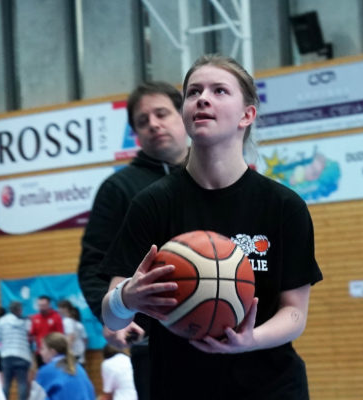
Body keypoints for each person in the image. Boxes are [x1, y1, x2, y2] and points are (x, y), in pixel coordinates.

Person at [101, 54, 323, 400]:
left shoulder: (283, 206)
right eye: (193, 92)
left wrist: (250, 340)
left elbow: (294, 313)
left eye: (219, 90)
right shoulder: (151, 204)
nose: (202, 98)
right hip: (180, 386)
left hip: (271, 386)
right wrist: (126, 297)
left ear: (247, 115)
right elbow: (112, 316)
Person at [77, 81, 188, 399]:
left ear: (183, 116)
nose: (153, 124)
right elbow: (94, 264)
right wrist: (112, 315)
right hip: (154, 344)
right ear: (136, 133)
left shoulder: (214, 176)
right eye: (143, 121)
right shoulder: (119, 189)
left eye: (161, 114)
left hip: (222, 334)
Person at [30, 332, 95, 400]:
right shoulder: (78, 367)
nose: (40, 352)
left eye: (42, 349)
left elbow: (35, 397)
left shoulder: (46, 371)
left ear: (52, 351)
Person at [0, 301, 32, 400]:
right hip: (22, 355)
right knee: (22, 383)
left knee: (6, 384)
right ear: (20, 310)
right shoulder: (27, 322)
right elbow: (30, 336)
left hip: (7, 354)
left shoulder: (2, 321)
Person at [30, 295, 63, 367]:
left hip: (53, 353)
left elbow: (60, 336)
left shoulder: (56, 317)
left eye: (43, 305)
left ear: (49, 305)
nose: (41, 308)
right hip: (40, 353)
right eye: (40, 305)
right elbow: (33, 335)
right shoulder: (35, 318)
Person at [57, 300, 87, 366]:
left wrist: (66, 353)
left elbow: (70, 337)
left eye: (59, 308)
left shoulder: (67, 321)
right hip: (79, 353)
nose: (58, 310)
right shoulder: (76, 322)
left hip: (73, 354)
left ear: (65, 309)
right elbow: (85, 340)